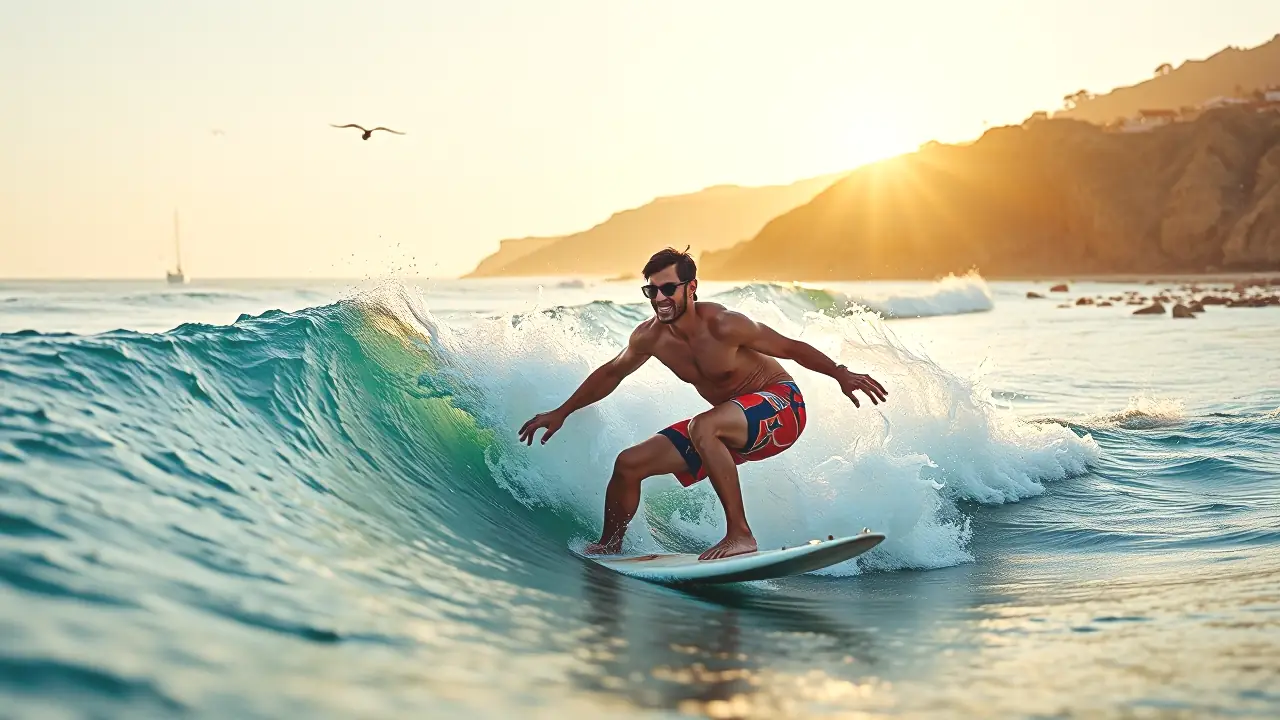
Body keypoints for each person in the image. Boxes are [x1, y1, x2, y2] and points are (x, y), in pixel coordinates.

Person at [518, 247, 888, 560]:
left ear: (691, 287)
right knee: (628, 465)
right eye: (652, 291)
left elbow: (790, 347)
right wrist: (561, 412)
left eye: (668, 288)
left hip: (783, 407)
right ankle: (610, 544)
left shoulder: (724, 325)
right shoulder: (649, 338)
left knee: (703, 426)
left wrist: (840, 373)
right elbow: (612, 373)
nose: (660, 298)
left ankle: (740, 535)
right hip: (732, 429)